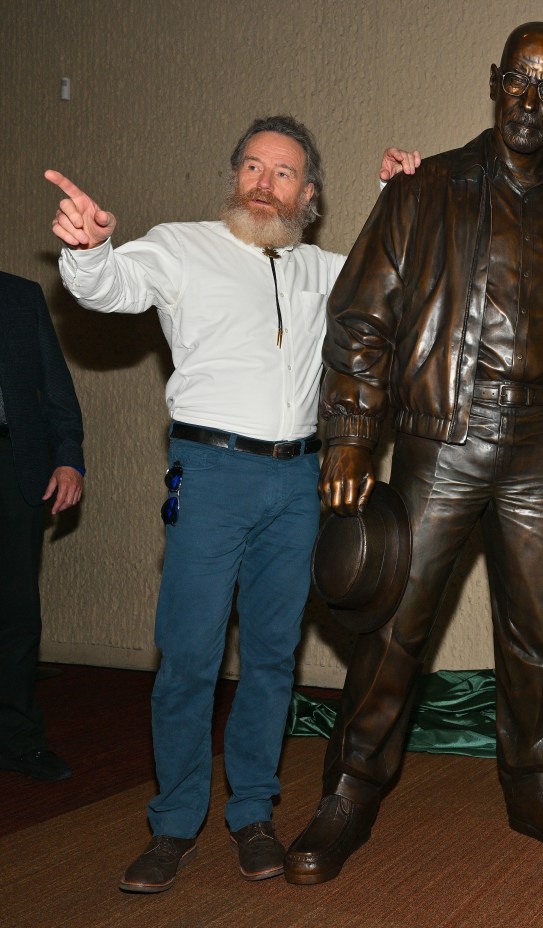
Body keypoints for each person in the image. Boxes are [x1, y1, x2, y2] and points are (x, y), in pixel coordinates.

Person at [283, 22, 543, 885]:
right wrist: (351, 433)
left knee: (538, 635)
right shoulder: (426, 189)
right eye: (518, 80)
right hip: (445, 435)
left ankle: (535, 786)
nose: (530, 100)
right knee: (396, 626)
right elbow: (362, 317)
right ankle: (349, 795)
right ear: (493, 81)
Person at [48, 116, 344, 893]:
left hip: (299, 483)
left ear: (308, 194)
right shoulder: (181, 247)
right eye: (251, 165)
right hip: (210, 475)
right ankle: (174, 824)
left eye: (282, 173)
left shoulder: (327, 270)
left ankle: (252, 812)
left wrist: (402, 188)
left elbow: (406, 279)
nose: (262, 182)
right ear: (235, 175)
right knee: (189, 658)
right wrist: (87, 251)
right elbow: (112, 286)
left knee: (275, 658)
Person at [0, 272, 85, 783]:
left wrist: (69, 458)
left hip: (13, 462)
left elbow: (56, 387)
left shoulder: (19, 295)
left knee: (15, 609)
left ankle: (17, 740)